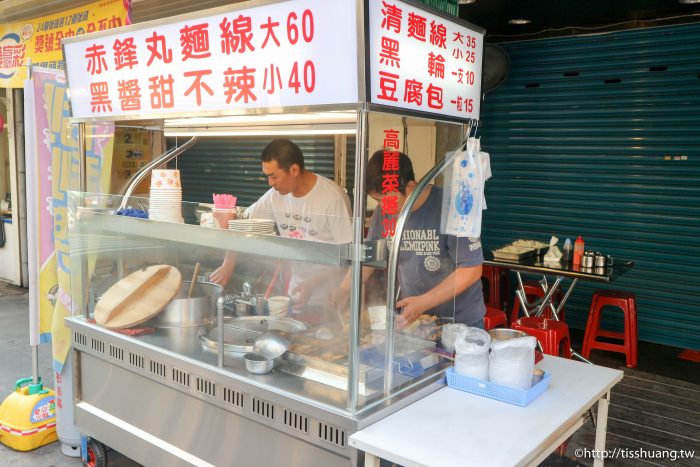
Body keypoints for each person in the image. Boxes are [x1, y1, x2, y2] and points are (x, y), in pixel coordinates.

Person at [330, 150, 486, 328]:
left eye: (386, 199)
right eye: (377, 200)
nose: (382, 207)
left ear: (411, 187)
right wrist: (344, 289)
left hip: (459, 321)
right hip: (415, 319)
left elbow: (471, 270)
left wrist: (424, 302)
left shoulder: (454, 206)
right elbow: (370, 257)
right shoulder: (384, 213)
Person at [209, 139, 352, 306]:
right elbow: (240, 225)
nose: (270, 183)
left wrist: (312, 284)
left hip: (331, 298)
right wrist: (228, 264)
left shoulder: (332, 198)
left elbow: (348, 258)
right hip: (296, 294)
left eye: (274, 176)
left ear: (294, 169)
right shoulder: (274, 196)